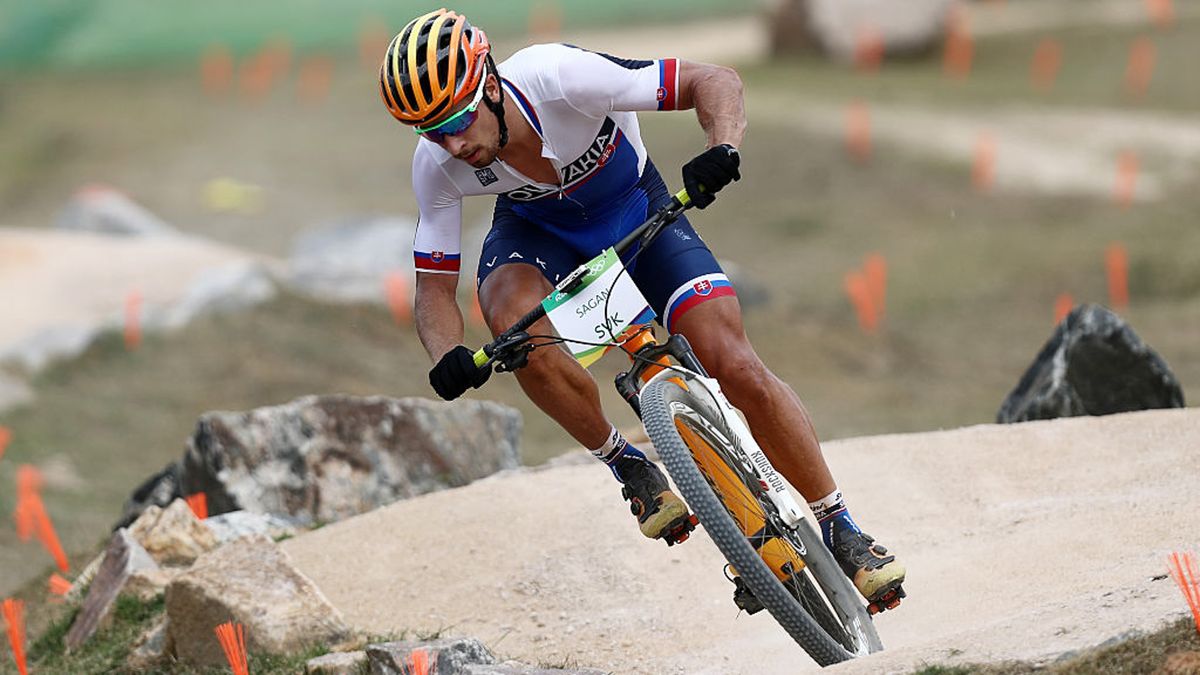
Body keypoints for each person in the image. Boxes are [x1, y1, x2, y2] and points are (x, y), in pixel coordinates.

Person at [380, 8, 905, 610]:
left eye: (458, 119)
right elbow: (433, 287)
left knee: (732, 362)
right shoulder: (439, 165)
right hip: (537, 234)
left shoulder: (560, 77)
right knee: (509, 327)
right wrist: (447, 354)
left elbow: (714, 80)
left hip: (635, 206)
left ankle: (841, 526)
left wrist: (721, 148)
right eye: (431, 132)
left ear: (491, 83)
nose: (453, 143)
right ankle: (627, 464)